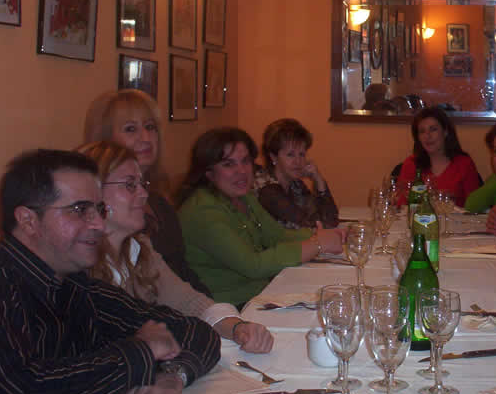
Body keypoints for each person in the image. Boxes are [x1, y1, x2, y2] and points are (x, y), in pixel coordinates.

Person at [0, 149, 220, 394]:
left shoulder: (76, 287)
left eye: (98, 209)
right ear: (28, 220)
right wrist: (140, 351)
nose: (98, 224)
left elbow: (194, 330)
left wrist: (174, 376)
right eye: (80, 209)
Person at [79, 140, 274, 354]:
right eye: (130, 185)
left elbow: (188, 301)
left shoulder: (140, 248)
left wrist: (237, 327)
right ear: (93, 192)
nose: (144, 194)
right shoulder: (79, 269)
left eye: (142, 184)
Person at [177, 127, 345, 306]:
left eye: (245, 161)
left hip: (261, 293)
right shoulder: (203, 211)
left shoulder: (243, 197)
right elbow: (254, 265)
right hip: (229, 308)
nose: (241, 171)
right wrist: (317, 243)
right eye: (229, 164)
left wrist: (321, 235)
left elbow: (277, 236)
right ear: (208, 172)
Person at [84, 89, 212, 296]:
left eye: (150, 127)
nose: (145, 138)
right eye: (130, 129)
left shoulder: (160, 203)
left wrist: (215, 309)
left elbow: (183, 273)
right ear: (105, 139)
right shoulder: (89, 231)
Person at [255, 118, 339, 229]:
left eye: (302, 154)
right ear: (273, 157)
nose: (298, 161)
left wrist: (319, 181)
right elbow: (310, 225)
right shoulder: (267, 189)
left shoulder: (296, 185)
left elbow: (330, 221)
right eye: (290, 155)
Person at [396, 107, 481, 206]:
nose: (427, 136)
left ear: (445, 132)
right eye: (422, 131)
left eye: (433, 129)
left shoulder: (464, 164)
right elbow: (401, 205)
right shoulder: (411, 164)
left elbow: (475, 207)